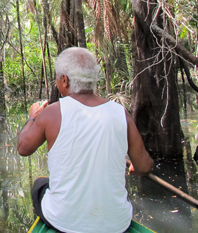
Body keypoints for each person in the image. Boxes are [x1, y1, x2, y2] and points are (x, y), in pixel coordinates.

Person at [17, 47, 153, 233]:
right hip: (117, 224)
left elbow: (23, 148)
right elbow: (144, 167)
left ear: (64, 80)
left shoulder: (52, 113)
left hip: (64, 222)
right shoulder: (120, 113)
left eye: (57, 78)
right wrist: (135, 164)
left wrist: (33, 117)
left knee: (40, 185)